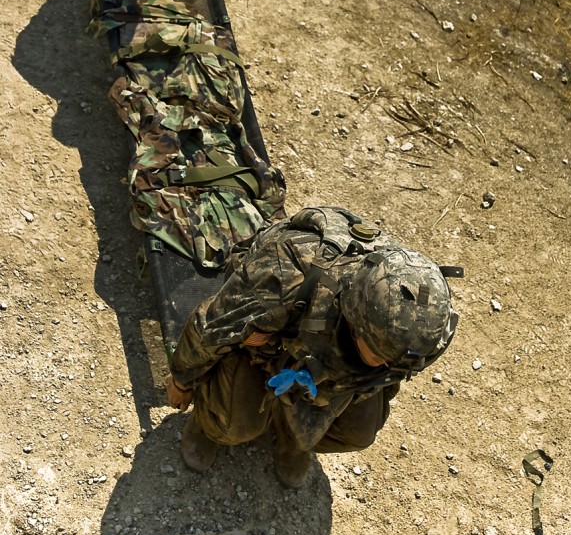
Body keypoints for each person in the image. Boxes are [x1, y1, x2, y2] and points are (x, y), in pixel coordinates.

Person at [166, 206, 460, 488]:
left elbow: (387, 378)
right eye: (381, 355)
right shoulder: (287, 275)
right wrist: (182, 379)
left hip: (329, 369)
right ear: (354, 322)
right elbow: (211, 327)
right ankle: (207, 423)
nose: (389, 365)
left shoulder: (425, 331)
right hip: (266, 349)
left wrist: (309, 427)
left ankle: (290, 435)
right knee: (234, 426)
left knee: (358, 433)